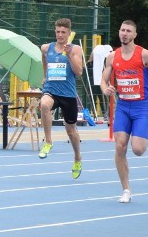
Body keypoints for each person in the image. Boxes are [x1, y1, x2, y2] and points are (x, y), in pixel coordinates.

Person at [100, 20, 148, 204]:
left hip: (140, 107)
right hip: (122, 107)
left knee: (137, 150)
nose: (124, 33)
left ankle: (143, 128)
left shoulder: (144, 55)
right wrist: (105, 89)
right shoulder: (112, 57)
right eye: (122, 30)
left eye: (128, 31)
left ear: (134, 35)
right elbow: (103, 80)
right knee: (120, 146)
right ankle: (126, 189)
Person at [37, 18, 85, 179]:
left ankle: (77, 158)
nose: (60, 35)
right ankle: (48, 142)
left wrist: (70, 54)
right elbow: (43, 57)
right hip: (51, 90)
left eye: (63, 32)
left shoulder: (76, 49)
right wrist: (44, 76)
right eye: (57, 31)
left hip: (68, 95)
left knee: (71, 131)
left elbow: (79, 72)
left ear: (69, 33)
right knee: (44, 105)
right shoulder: (47, 48)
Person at [88, 41, 113, 120]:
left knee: (102, 97)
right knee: (93, 97)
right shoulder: (91, 64)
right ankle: (93, 112)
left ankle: (105, 113)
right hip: (92, 82)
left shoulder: (104, 62)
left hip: (101, 83)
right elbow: (88, 65)